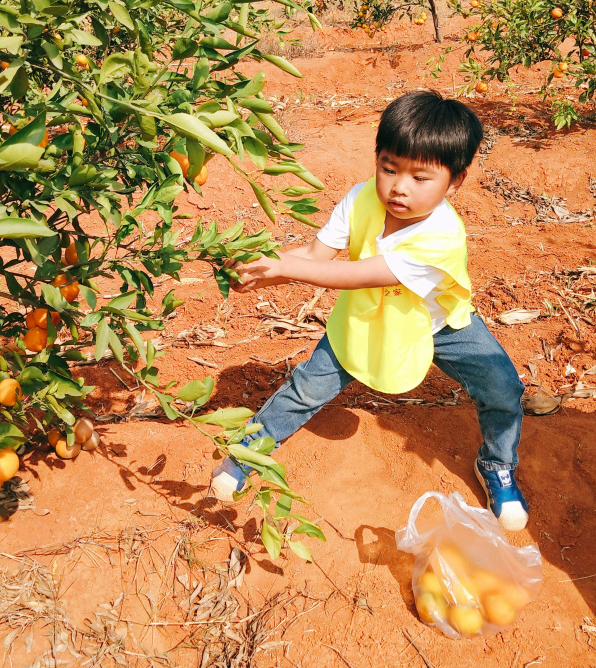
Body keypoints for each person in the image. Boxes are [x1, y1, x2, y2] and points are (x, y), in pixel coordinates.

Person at [211, 90, 529, 531]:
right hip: (367, 319)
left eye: (421, 178)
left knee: (503, 387)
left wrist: (286, 268)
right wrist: (263, 267)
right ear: (376, 159)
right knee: (307, 388)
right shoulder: (361, 198)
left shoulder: (442, 236)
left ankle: (496, 464)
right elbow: (314, 254)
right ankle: (244, 455)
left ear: (455, 182)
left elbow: (361, 274)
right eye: (389, 168)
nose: (399, 187)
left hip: (438, 325)